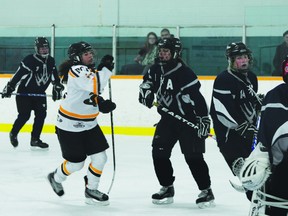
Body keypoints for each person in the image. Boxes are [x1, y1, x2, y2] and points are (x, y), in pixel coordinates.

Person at [139, 37, 215, 207]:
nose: (162, 54)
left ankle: (206, 190)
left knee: (193, 157)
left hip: (188, 120)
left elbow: (197, 98)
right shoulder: (154, 69)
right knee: (158, 153)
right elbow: (147, 84)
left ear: (175, 53)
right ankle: (167, 187)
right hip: (167, 120)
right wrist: (145, 93)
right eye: (160, 51)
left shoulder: (184, 73)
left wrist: (203, 119)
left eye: (166, 51)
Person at [47, 41, 116, 206]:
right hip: (69, 126)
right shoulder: (76, 70)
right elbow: (96, 84)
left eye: (90, 52)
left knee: (100, 158)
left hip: (90, 124)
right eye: (86, 54)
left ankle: (91, 189)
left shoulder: (89, 70)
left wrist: (100, 103)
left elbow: (90, 93)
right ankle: (56, 177)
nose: (90, 55)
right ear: (77, 57)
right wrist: (106, 68)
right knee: (76, 164)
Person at [210, 42, 263, 200]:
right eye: (239, 58)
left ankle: (260, 204)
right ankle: (257, 205)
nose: (244, 60)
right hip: (229, 137)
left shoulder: (251, 77)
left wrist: (259, 104)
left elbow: (249, 102)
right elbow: (221, 110)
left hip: (249, 134)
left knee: (258, 176)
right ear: (231, 60)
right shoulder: (224, 79)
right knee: (248, 176)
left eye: (245, 56)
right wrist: (241, 126)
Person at [238, 56, 288, 216]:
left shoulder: (275, 94)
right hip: (282, 165)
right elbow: (267, 134)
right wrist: (261, 153)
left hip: (280, 162)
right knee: (275, 200)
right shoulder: (276, 95)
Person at [1, 37, 64, 150]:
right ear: (37, 49)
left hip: (40, 94)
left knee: (41, 116)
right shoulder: (29, 60)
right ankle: (14, 133)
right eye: (41, 48)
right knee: (24, 116)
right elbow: (18, 75)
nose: (44, 50)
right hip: (24, 94)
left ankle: (35, 139)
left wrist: (57, 87)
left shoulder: (51, 61)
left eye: (46, 47)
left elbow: (55, 78)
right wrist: (10, 87)